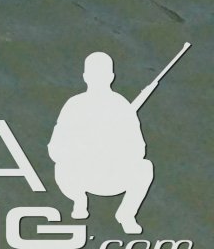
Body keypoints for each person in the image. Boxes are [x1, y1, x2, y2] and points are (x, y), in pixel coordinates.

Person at [50, 51, 156, 234]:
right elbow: (56, 148)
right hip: (82, 176)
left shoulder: (120, 106)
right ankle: (79, 200)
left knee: (145, 167)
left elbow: (138, 150)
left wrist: (113, 148)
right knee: (61, 166)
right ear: (111, 77)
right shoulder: (76, 105)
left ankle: (126, 214)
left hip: (111, 177)